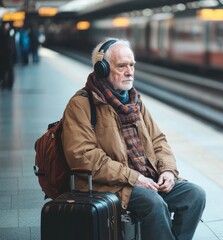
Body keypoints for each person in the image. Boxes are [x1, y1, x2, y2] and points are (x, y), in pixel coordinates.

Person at [61, 38, 206, 240]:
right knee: (153, 203)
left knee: (194, 195)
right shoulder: (82, 104)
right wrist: (133, 177)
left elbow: (158, 140)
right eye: (122, 66)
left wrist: (167, 170)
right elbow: (83, 156)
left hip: (146, 179)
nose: (129, 72)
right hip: (110, 184)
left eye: (131, 65)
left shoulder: (135, 100)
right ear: (102, 69)